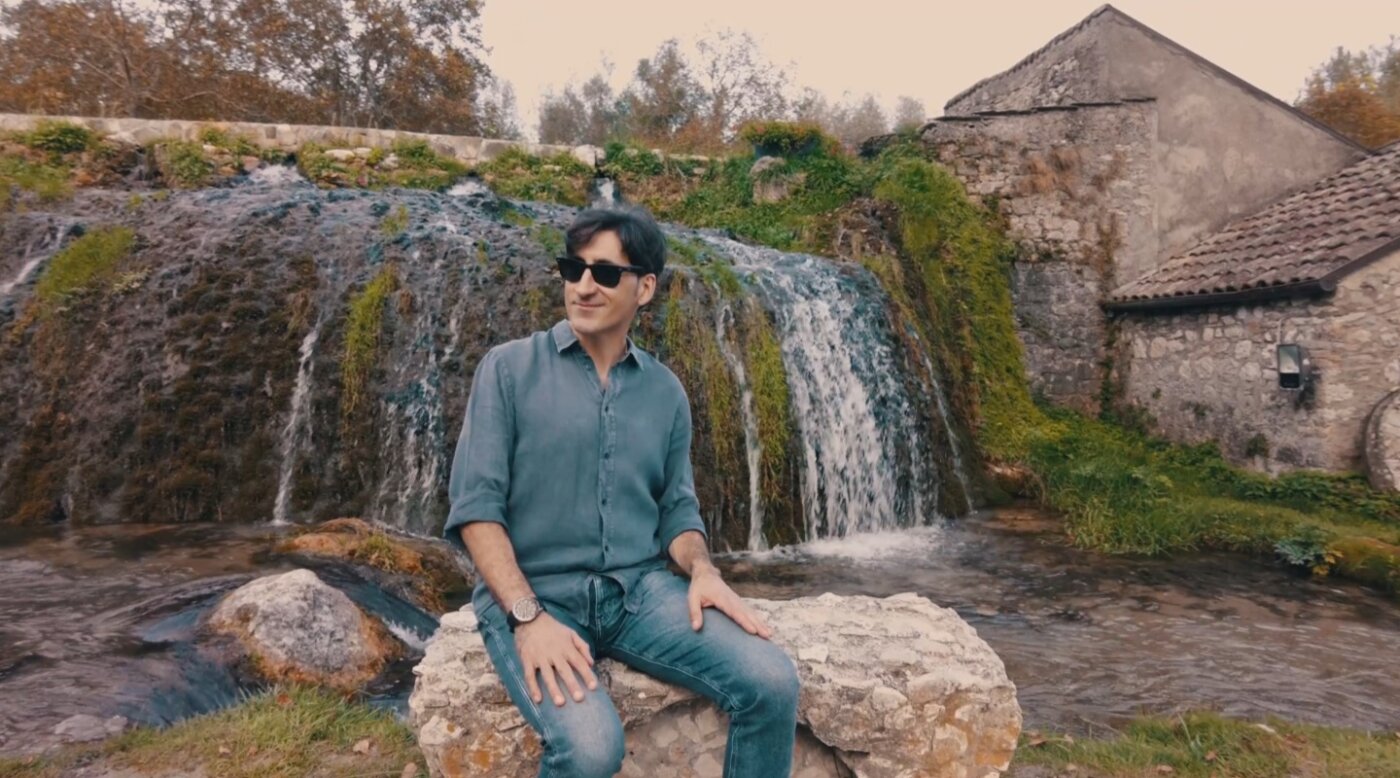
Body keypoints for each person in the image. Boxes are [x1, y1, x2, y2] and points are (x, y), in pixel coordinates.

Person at [442, 205, 800, 778]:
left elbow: (676, 510)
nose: (584, 286)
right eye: (573, 268)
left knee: (772, 681)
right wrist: (528, 619)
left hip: (639, 596)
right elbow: (476, 510)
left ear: (645, 288)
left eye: (606, 273)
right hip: (539, 595)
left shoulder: (666, 392)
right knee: (590, 750)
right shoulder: (507, 370)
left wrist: (703, 570)